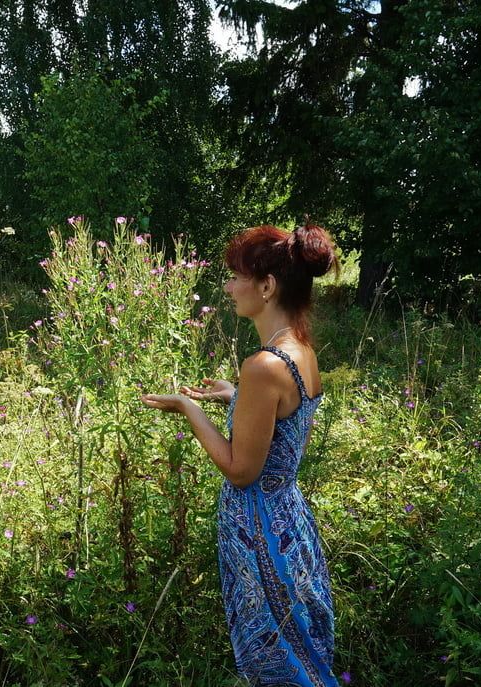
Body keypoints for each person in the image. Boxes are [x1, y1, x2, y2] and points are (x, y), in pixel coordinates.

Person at [141, 222, 342, 685]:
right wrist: (236, 398)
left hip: (261, 530)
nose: (229, 288)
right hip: (290, 519)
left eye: (236, 277)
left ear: (267, 286)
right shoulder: (299, 350)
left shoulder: (264, 365)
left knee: (275, 663)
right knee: (302, 647)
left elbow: (241, 470)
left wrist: (189, 408)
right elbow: (284, 430)